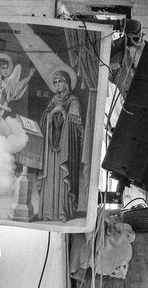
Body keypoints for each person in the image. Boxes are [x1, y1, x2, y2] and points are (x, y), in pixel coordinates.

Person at [37, 67, 83, 223]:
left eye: (60, 81)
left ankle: (63, 212)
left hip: (66, 148)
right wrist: (51, 114)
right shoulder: (53, 100)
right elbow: (45, 119)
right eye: (55, 82)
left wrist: (63, 112)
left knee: (63, 178)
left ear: (67, 83)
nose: (57, 85)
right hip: (51, 148)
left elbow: (75, 124)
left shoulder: (74, 101)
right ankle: (47, 212)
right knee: (50, 177)